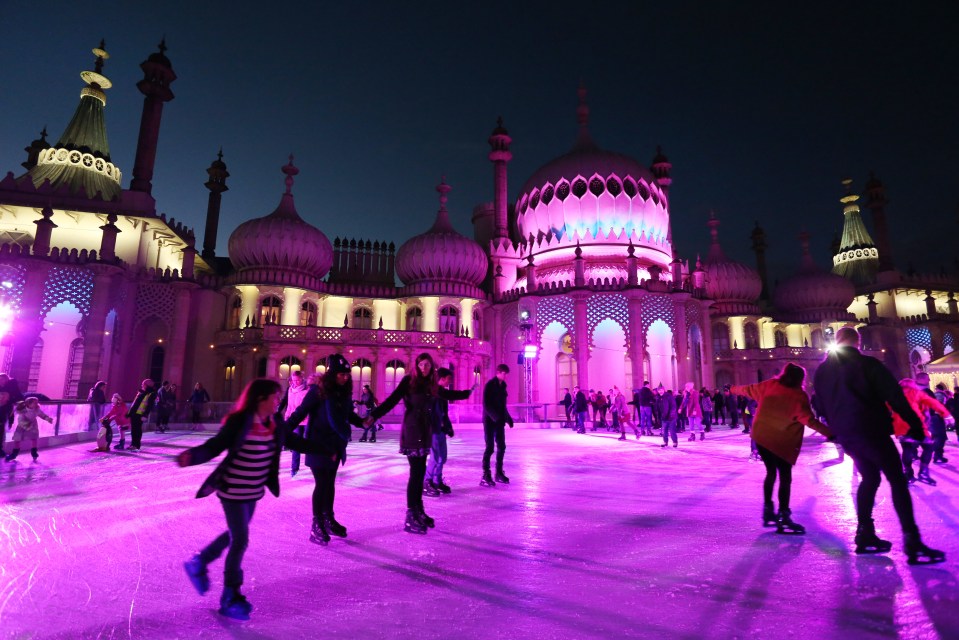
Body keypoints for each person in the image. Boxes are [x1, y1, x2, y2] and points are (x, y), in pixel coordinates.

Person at [179, 378, 331, 620]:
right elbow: (216, 445)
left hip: (252, 491)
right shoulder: (241, 421)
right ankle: (230, 595)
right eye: (275, 396)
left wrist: (325, 450)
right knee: (240, 539)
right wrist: (192, 456)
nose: (278, 401)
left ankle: (199, 562)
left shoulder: (274, 424)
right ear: (261, 398)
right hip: (232, 489)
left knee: (234, 534)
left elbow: (295, 442)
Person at [813, 327, 945, 563]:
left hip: (848, 436)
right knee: (897, 481)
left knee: (870, 479)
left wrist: (836, 427)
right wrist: (915, 425)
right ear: (858, 342)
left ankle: (865, 534)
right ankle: (912, 540)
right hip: (871, 431)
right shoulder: (868, 365)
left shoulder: (822, 371)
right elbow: (895, 396)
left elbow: (819, 405)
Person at [366, 353, 472, 534]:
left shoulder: (430, 384)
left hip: (425, 431)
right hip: (412, 431)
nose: (424, 368)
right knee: (415, 475)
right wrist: (373, 416)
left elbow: (445, 393)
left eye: (428, 365)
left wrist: (466, 393)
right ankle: (410, 516)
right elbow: (392, 401)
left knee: (421, 472)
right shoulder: (409, 381)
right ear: (416, 365)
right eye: (422, 365)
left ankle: (419, 510)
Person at [731, 363, 832, 534]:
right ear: (801, 379)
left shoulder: (769, 385)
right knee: (785, 477)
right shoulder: (798, 395)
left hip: (762, 437)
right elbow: (809, 419)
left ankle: (768, 510)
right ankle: (784, 515)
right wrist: (830, 433)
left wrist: (732, 388)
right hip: (781, 441)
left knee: (771, 472)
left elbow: (747, 389)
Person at [287, 356, 363, 545]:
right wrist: (282, 430)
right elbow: (300, 412)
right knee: (322, 484)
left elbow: (347, 414)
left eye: (347, 374)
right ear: (332, 374)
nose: (345, 378)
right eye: (341, 374)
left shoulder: (341, 392)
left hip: (335, 445)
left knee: (329, 483)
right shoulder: (318, 391)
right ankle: (317, 524)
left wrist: (362, 422)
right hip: (318, 445)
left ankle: (328, 519)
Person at [892, 377, 952, 486]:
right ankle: (923, 473)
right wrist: (947, 416)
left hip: (901, 428)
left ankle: (908, 474)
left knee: (907, 449)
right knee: (928, 447)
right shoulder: (916, 393)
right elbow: (933, 403)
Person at [424, 367, 466, 495]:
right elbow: (429, 413)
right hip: (433, 430)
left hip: (441, 430)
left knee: (442, 457)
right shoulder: (431, 393)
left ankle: (437, 481)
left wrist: (448, 427)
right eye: (448, 379)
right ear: (441, 379)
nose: (450, 382)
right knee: (435, 457)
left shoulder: (442, 393)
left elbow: (444, 414)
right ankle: (427, 482)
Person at [480, 364, 514, 486]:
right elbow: (486, 404)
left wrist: (508, 418)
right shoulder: (490, 385)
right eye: (504, 373)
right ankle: (485, 474)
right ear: (498, 372)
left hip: (499, 421)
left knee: (502, 446)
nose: (506, 376)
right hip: (489, 421)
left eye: (506, 374)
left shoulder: (503, 386)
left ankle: (498, 472)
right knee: (489, 447)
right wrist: (495, 417)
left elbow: (503, 406)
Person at [280, 370, 311, 476]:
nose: (296, 382)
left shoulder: (308, 389)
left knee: (309, 443)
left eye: (298, 380)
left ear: (302, 379)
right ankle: (294, 468)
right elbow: (289, 405)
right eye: (294, 380)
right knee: (296, 445)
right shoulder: (290, 390)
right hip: (296, 420)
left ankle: (313, 465)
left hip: (307, 420)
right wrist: (286, 417)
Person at [4, 397, 53, 462]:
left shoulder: (37, 410)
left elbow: (42, 415)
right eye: (34, 403)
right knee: (17, 440)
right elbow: (20, 419)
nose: (36, 404)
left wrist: (48, 419)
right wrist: (26, 425)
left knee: (34, 439)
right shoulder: (23, 410)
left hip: (33, 426)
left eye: (37, 402)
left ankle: (34, 453)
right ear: (28, 404)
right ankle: (14, 454)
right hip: (22, 426)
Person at [124, 379, 155, 452]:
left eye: (143, 384)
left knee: (137, 430)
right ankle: (133, 444)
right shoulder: (142, 392)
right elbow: (135, 404)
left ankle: (136, 445)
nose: (142, 385)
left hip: (140, 414)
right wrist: (129, 413)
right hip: (135, 414)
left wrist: (145, 415)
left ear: (146, 385)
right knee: (134, 430)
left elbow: (149, 406)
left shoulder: (150, 393)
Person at [0, 373, 24, 457]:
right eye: (0, 379)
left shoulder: (11, 387)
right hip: (4, 410)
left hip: (4, 411)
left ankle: (0, 449)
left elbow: (19, 397)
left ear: (7, 380)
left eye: (3, 379)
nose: (1, 381)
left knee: (1, 429)